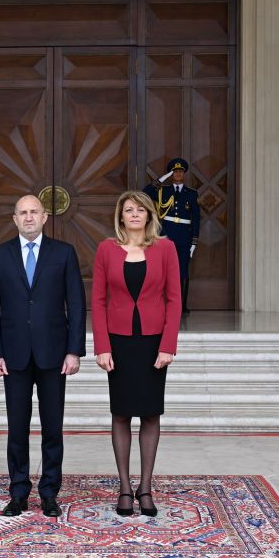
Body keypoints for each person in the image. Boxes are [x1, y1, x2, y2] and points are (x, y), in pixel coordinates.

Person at [0, 195, 86, 518]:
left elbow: (77, 304)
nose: (28, 218)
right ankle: (18, 491)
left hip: (54, 354)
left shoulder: (64, 254)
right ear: (14, 220)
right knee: (17, 427)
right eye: (22, 213)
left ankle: (50, 492)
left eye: (34, 212)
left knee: (53, 426)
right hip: (13, 355)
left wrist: (74, 350)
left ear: (44, 217)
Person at [91, 190, 181, 518]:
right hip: (119, 341)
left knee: (150, 413)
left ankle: (145, 487)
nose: (134, 214)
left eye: (139, 209)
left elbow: (174, 299)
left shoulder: (166, 248)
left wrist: (168, 345)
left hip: (153, 341)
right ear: (120, 216)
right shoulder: (106, 250)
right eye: (128, 209)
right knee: (121, 413)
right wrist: (101, 346)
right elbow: (98, 300)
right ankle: (124, 488)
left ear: (149, 215)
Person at [143, 157, 200, 313]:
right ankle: (162, 303)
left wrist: (194, 242)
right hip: (166, 236)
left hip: (184, 237)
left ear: (184, 174)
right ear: (171, 174)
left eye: (180, 172)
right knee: (162, 271)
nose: (178, 174)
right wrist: (163, 178)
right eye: (174, 172)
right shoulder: (163, 191)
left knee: (183, 271)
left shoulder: (191, 194)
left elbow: (195, 218)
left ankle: (182, 305)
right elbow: (145, 193)